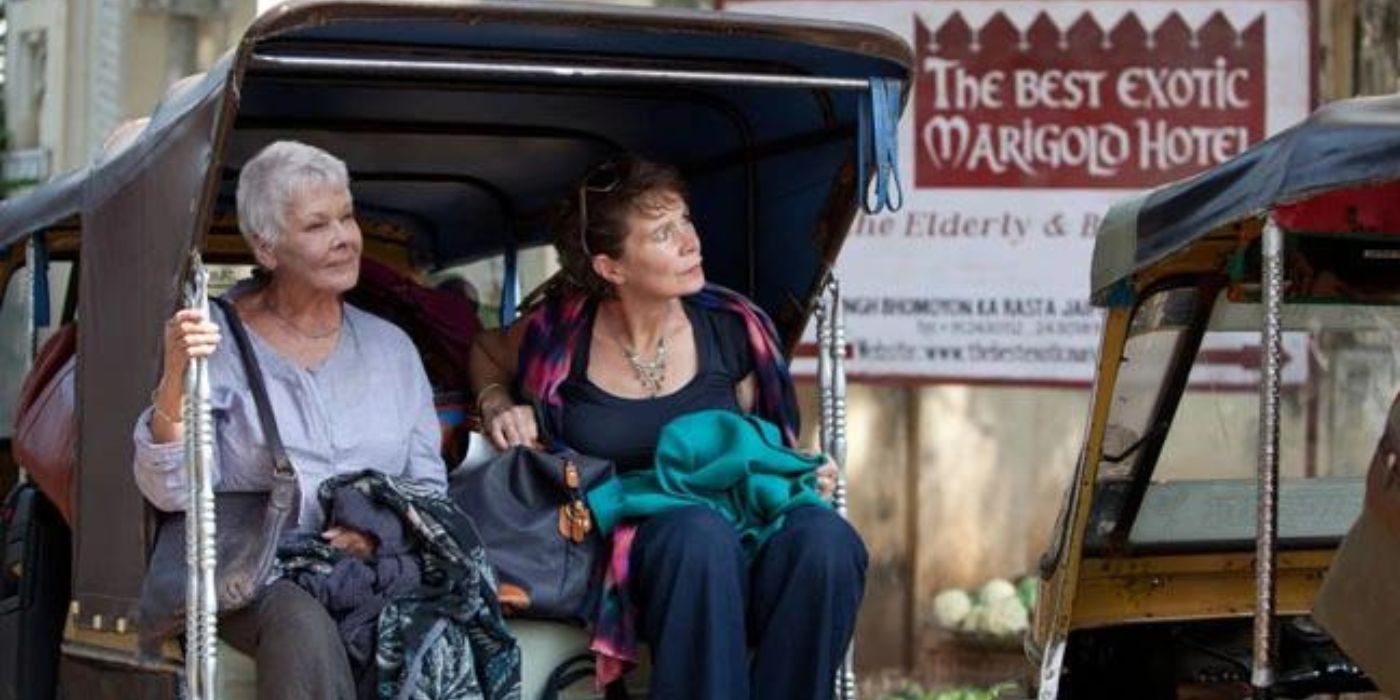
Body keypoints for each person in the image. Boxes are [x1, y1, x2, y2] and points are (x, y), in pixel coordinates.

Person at [469, 156, 866, 700]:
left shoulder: (734, 328)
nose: (690, 242)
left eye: (685, 221)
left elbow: (767, 449)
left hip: (740, 523)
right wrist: (497, 402)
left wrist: (800, 472)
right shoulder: (560, 334)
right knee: (696, 534)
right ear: (612, 267)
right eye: (662, 233)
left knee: (826, 540)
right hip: (624, 534)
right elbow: (485, 351)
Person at [132, 140, 447, 700]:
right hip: (253, 574)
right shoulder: (214, 342)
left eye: (347, 216)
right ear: (267, 247)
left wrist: (377, 536)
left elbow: (427, 488)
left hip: (373, 569)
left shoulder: (392, 349)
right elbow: (169, 490)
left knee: (441, 627)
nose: (344, 237)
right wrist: (176, 376)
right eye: (317, 225)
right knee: (300, 622)